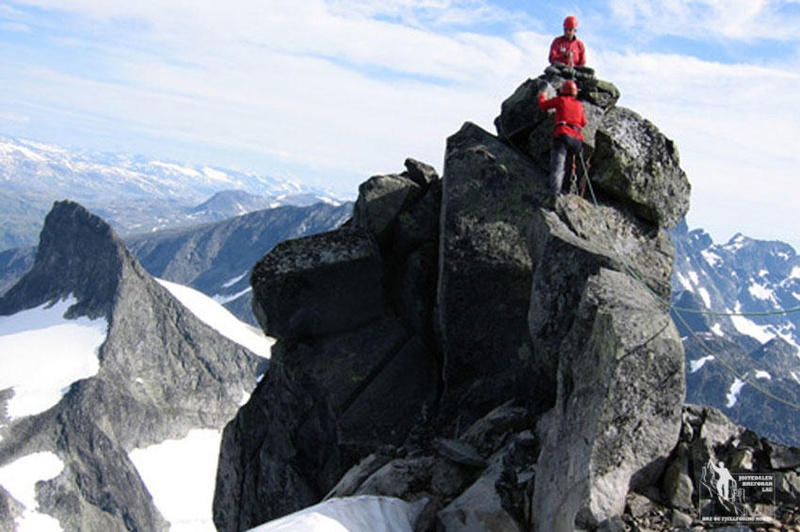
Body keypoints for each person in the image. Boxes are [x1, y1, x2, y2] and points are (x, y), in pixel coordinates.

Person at [537, 80, 587, 199]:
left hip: (562, 134)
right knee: (572, 166)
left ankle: (555, 195)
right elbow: (584, 122)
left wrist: (542, 95)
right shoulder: (579, 104)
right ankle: (570, 191)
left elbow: (543, 105)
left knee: (558, 168)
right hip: (577, 139)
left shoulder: (561, 100)